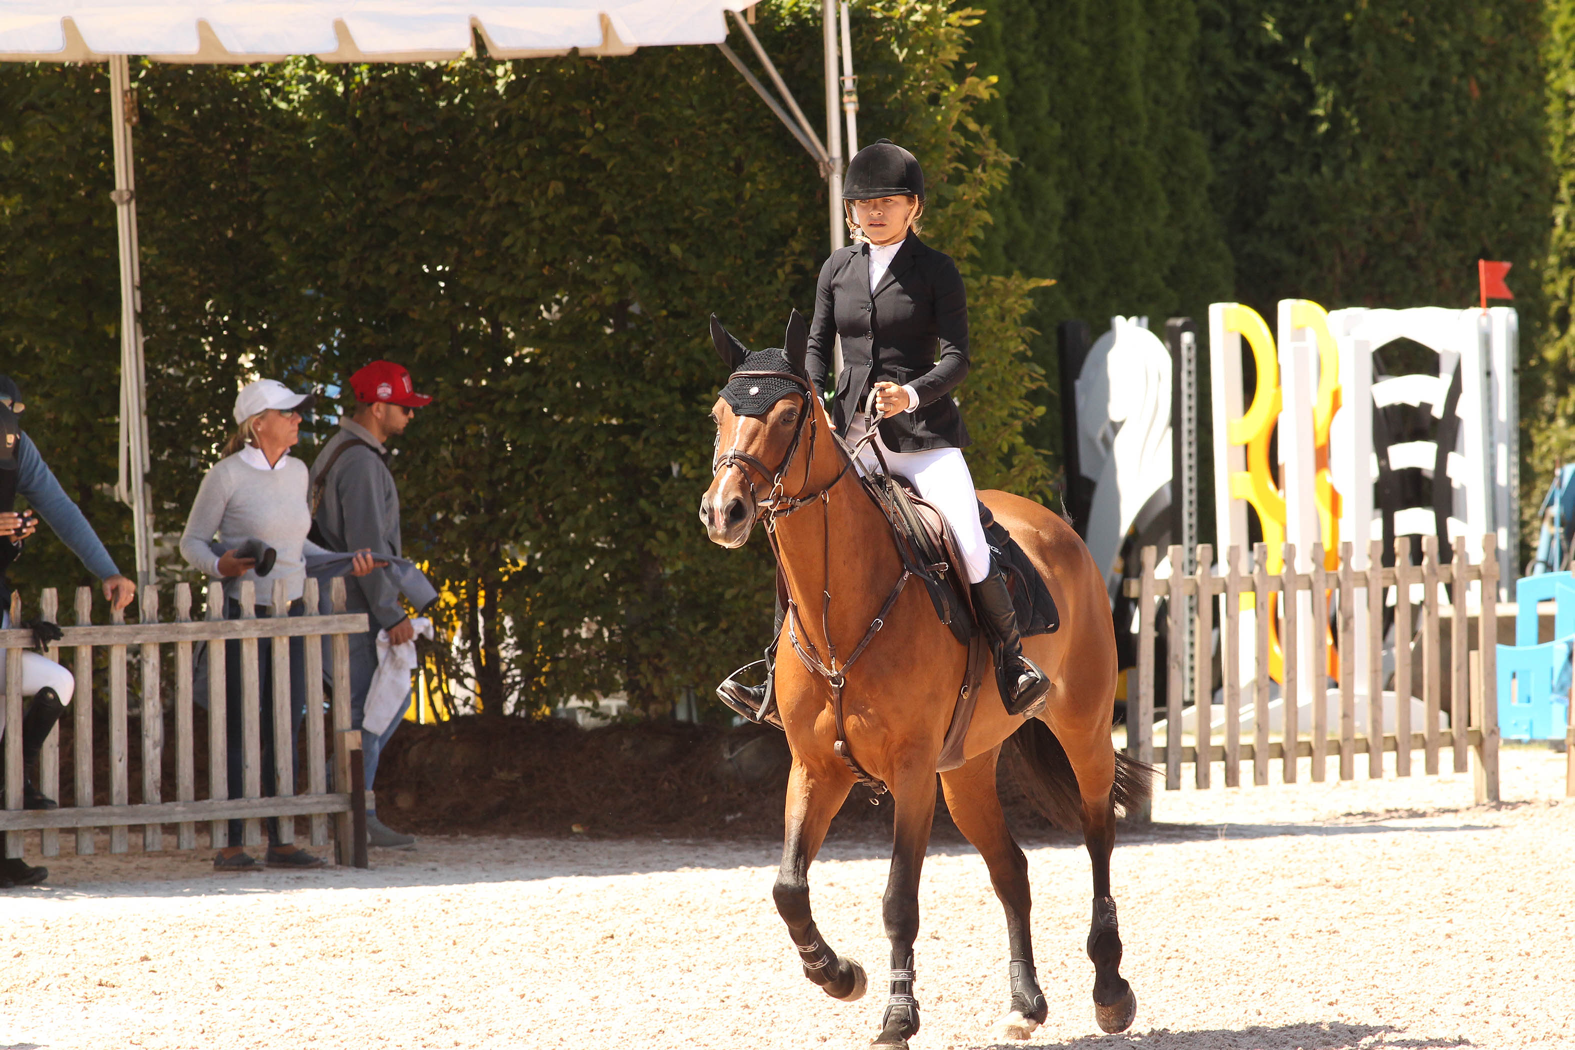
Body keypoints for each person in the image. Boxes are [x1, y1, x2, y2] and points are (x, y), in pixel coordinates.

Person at [717, 140, 1050, 719]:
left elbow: (959, 356)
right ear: (850, 212)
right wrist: (816, 396)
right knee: (797, 533)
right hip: (852, 438)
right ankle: (773, 673)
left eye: (888, 202)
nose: (874, 212)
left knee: (968, 538)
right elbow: (817, 345)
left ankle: (1011, 662)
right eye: (863, 204)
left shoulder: (935, 270)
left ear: (913, 207)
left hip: (923, 439)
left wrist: (911, 393)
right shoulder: (837, 269)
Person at [179, 378, 377, 872]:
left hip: (292, 615)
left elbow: (297, 549)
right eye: (288, 413)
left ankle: (281, 837)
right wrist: (220, 567)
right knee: (239, 728)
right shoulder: (224, 476)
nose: (297, 420)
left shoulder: (298, 472)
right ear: (257, 423)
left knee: (285, 723)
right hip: (243, 618)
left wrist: (343, 559)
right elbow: (193, 544)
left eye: (296, 412)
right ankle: (230, 842)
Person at [0, 375, 137, 887]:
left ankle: (16, 789)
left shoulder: (17, 447)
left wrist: (108, 570)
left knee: (55, 682)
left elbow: (60, 507)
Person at [309, 361, 433, 850]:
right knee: (372, 709)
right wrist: (393, 614)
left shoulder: (338, 451)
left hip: (338, 600)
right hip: (356, 605)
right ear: (378, 406)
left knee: (361, 710)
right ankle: (352, 811)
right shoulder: (360, 462)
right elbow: (368, 548)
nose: (410, 414)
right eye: (404, 406)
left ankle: (345, 808)